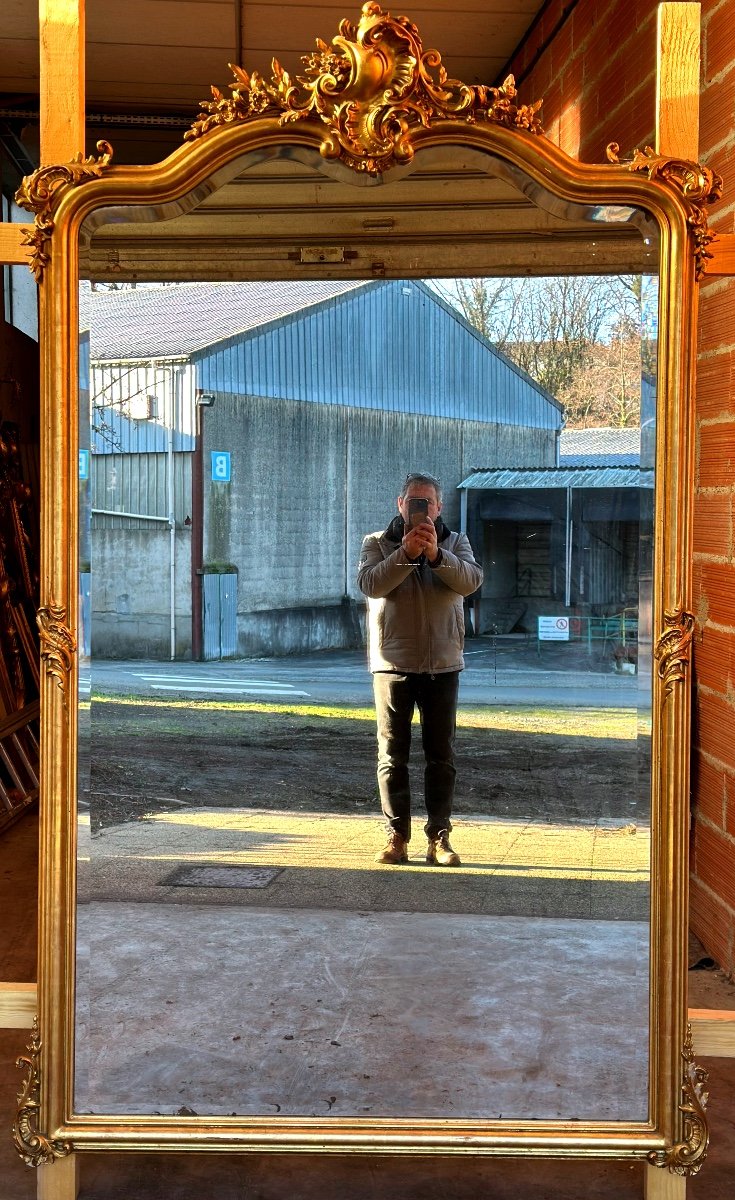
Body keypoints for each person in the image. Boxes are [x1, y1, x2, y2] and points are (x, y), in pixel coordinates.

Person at [357, 471, 483, 867]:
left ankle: (439, 839)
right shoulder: (377, 543)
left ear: (439, 507)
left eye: (427, 502)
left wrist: (436, 555)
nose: (421, 508)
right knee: (392, 756)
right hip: (393, 664)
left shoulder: (456, 542)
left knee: (440, 756)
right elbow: (371, 585)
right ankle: (397, 836)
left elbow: (471, 582)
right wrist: (406, 554)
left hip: (443, 664)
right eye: (414, 500)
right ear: (400, 504)